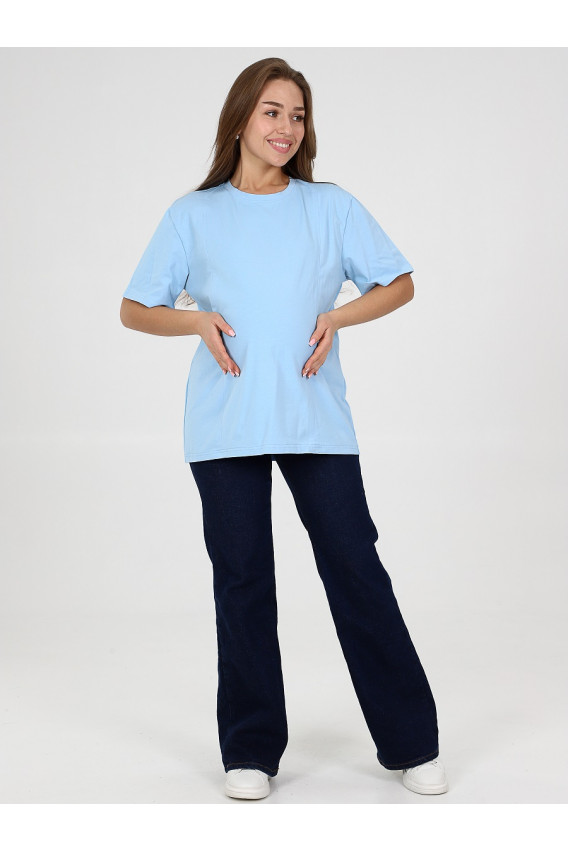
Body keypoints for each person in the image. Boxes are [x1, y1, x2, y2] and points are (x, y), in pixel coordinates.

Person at [120, 57, 449, 800]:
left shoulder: (328, 207)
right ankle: (250, 749)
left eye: (298, 115)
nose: (286, 127)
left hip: (314, 418)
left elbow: (399, 283)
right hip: (225, 421)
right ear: (241, 117)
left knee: (355, 568)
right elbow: (134, 308)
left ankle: (411, 741)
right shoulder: (193, 215)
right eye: (272, 111)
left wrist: (338, 316)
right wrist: (195, 321)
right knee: (242, 581)